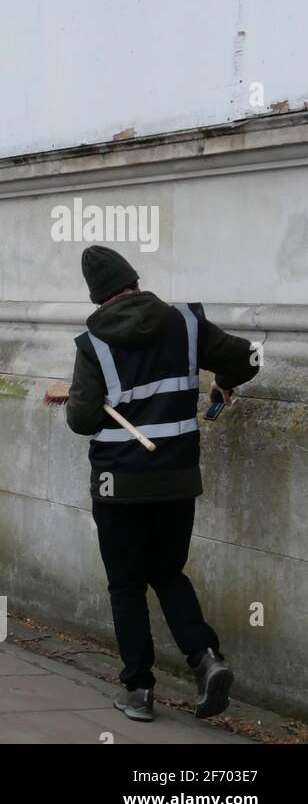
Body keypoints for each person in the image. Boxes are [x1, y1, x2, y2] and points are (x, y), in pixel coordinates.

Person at [60, 246, 259, 723]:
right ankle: (205, 657)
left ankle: (138, 689)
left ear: (98, 297)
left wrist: (77, 402)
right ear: (134, 280)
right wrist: (223, 380)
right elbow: (248, 358)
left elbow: (83, 420)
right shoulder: (185, 323)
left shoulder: (93, 344)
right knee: (168, 571)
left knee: (126, 584)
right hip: (176, 476)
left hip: (118, 482)